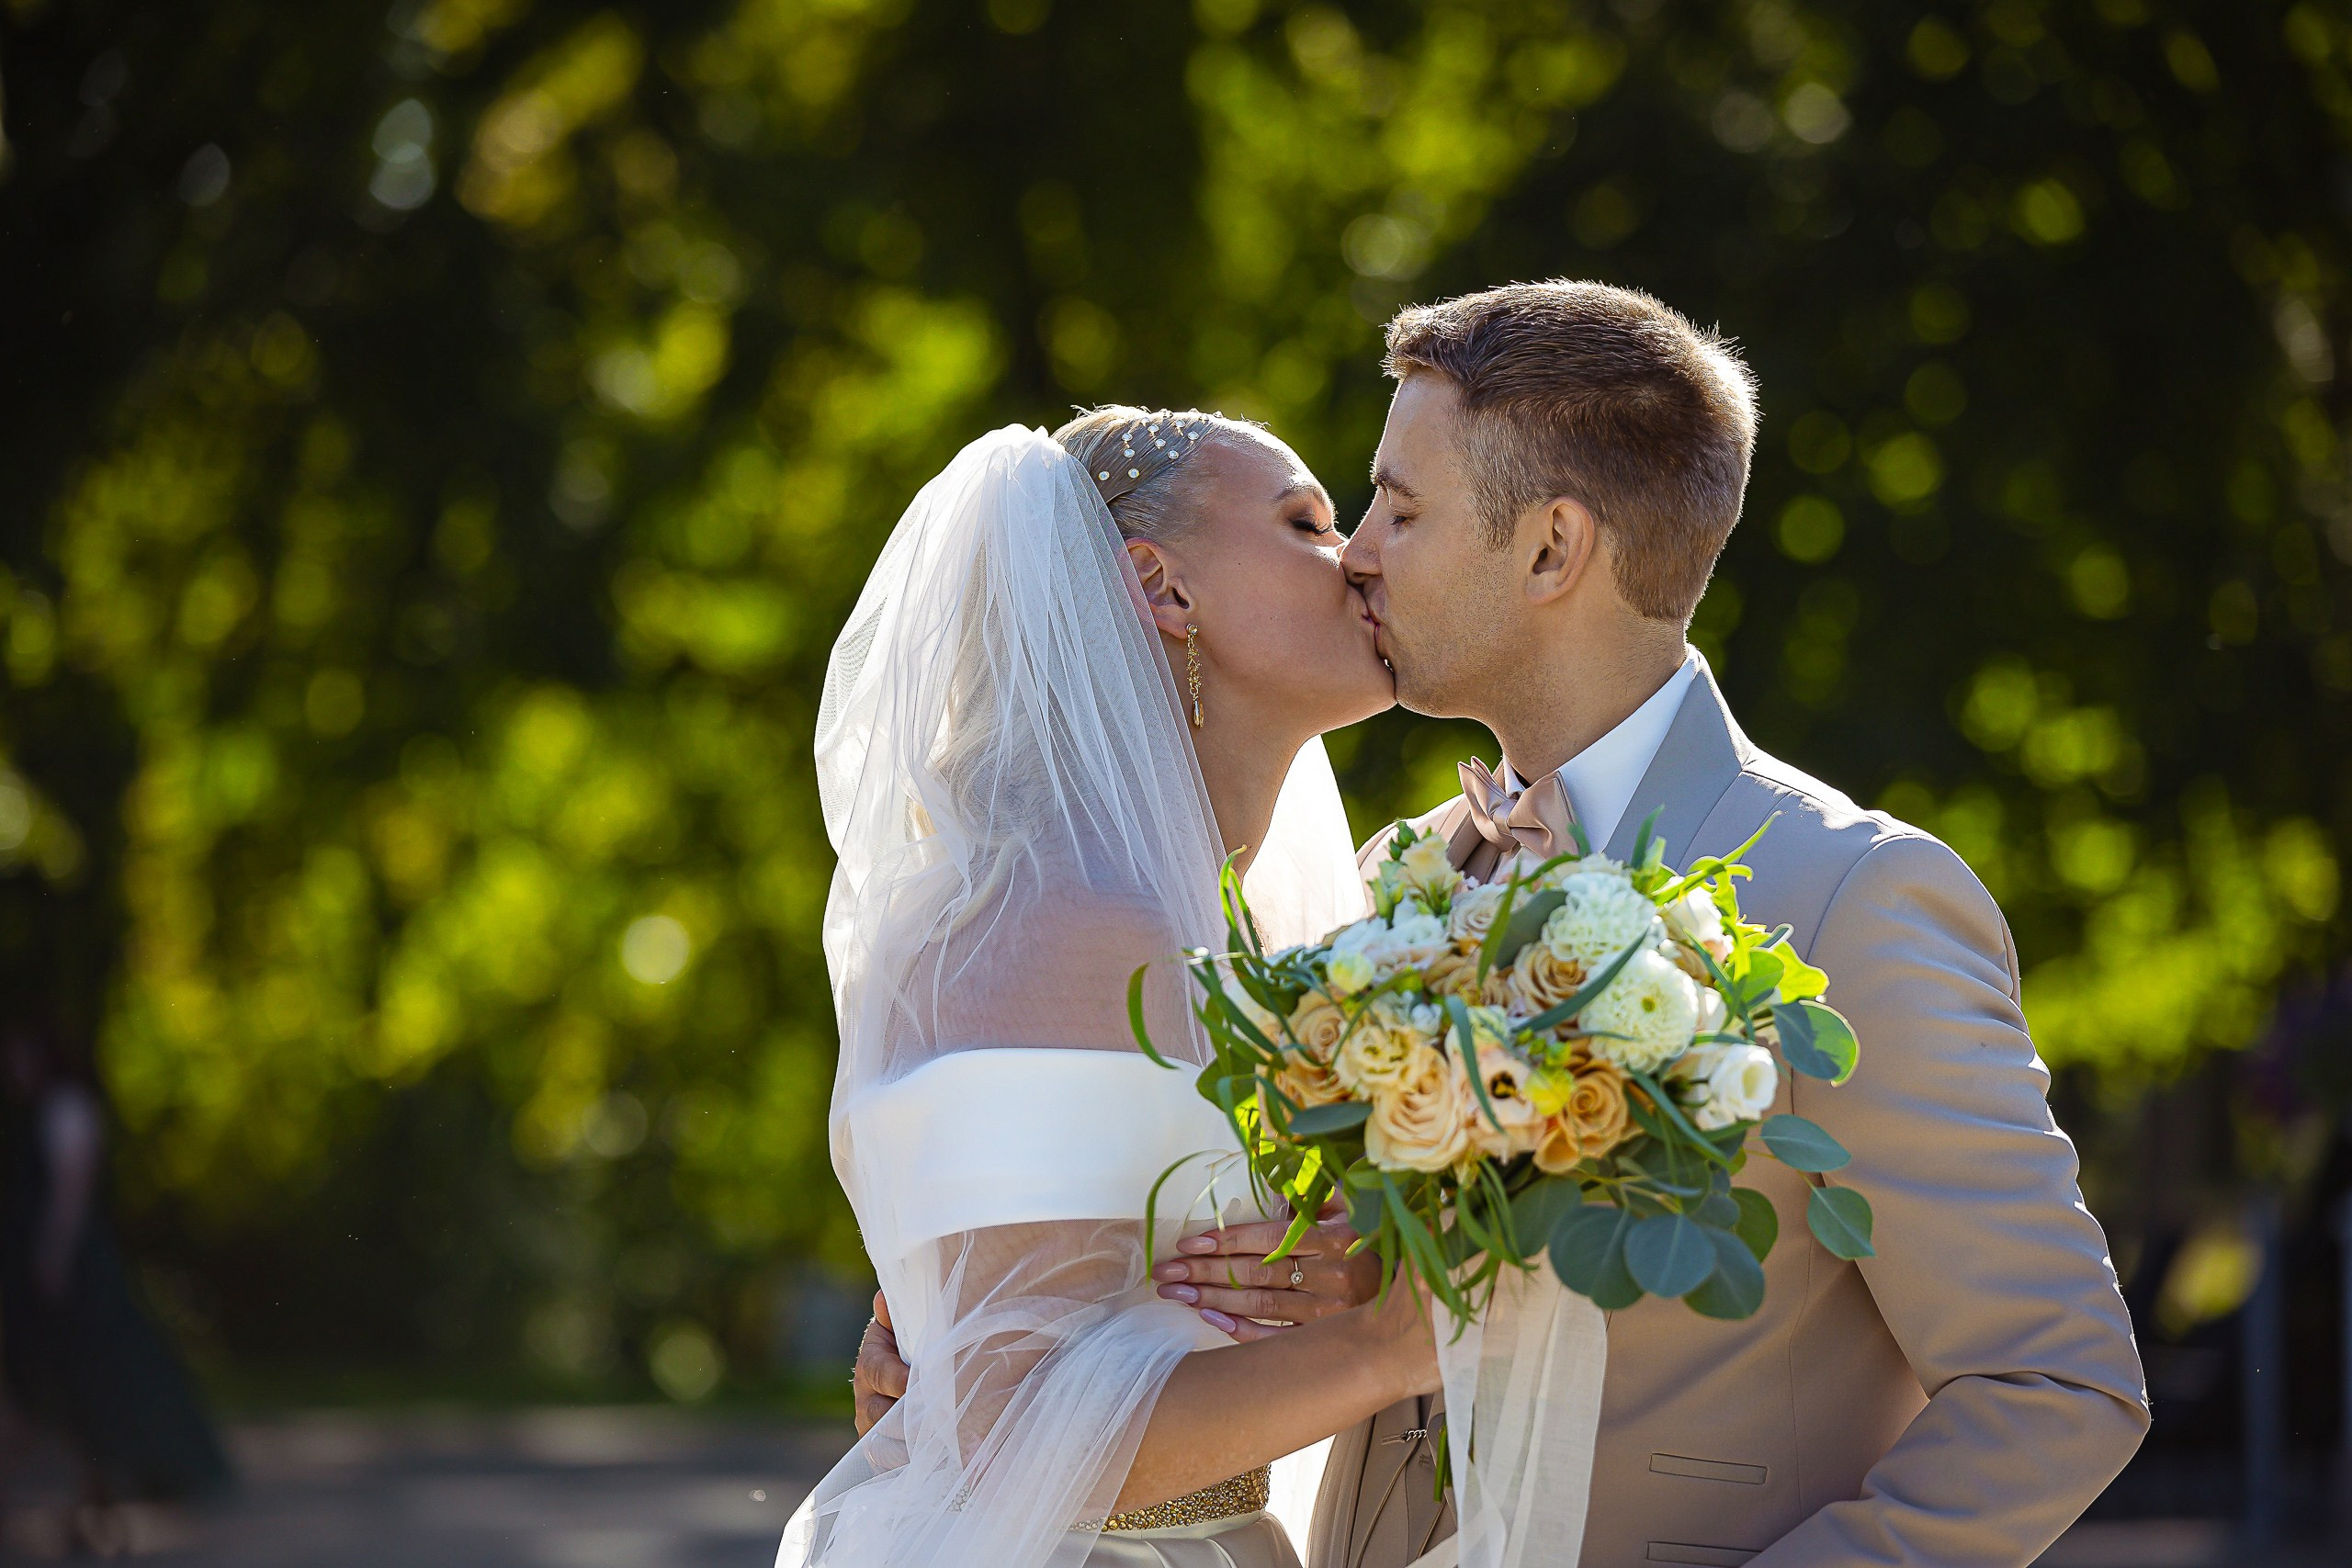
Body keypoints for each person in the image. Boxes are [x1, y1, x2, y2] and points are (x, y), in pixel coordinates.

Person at [859, 282, 2152, 1568]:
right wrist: (975, 1330)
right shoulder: (1381, 890)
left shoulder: (1849, 898)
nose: (1357, 552)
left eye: (1398, 510)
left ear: (1549, 550)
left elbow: (2055, 1380)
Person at [785, 409, 1446, 1568]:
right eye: (1306, 522)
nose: (1357, 560)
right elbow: (1010, 1432)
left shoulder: (1234, 913)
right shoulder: (1073, 917)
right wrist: (1407, 1341)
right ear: (1164, 589)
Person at [1, 1020, 231, 1550]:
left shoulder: (65, 1110)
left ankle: (95, 1516)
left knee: (56, 1392)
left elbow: (70, 1190)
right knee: (69, 1397)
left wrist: (51, 1259)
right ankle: (97, 1517)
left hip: (67, 1282)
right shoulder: (49, 1112)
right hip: (61, 1278)